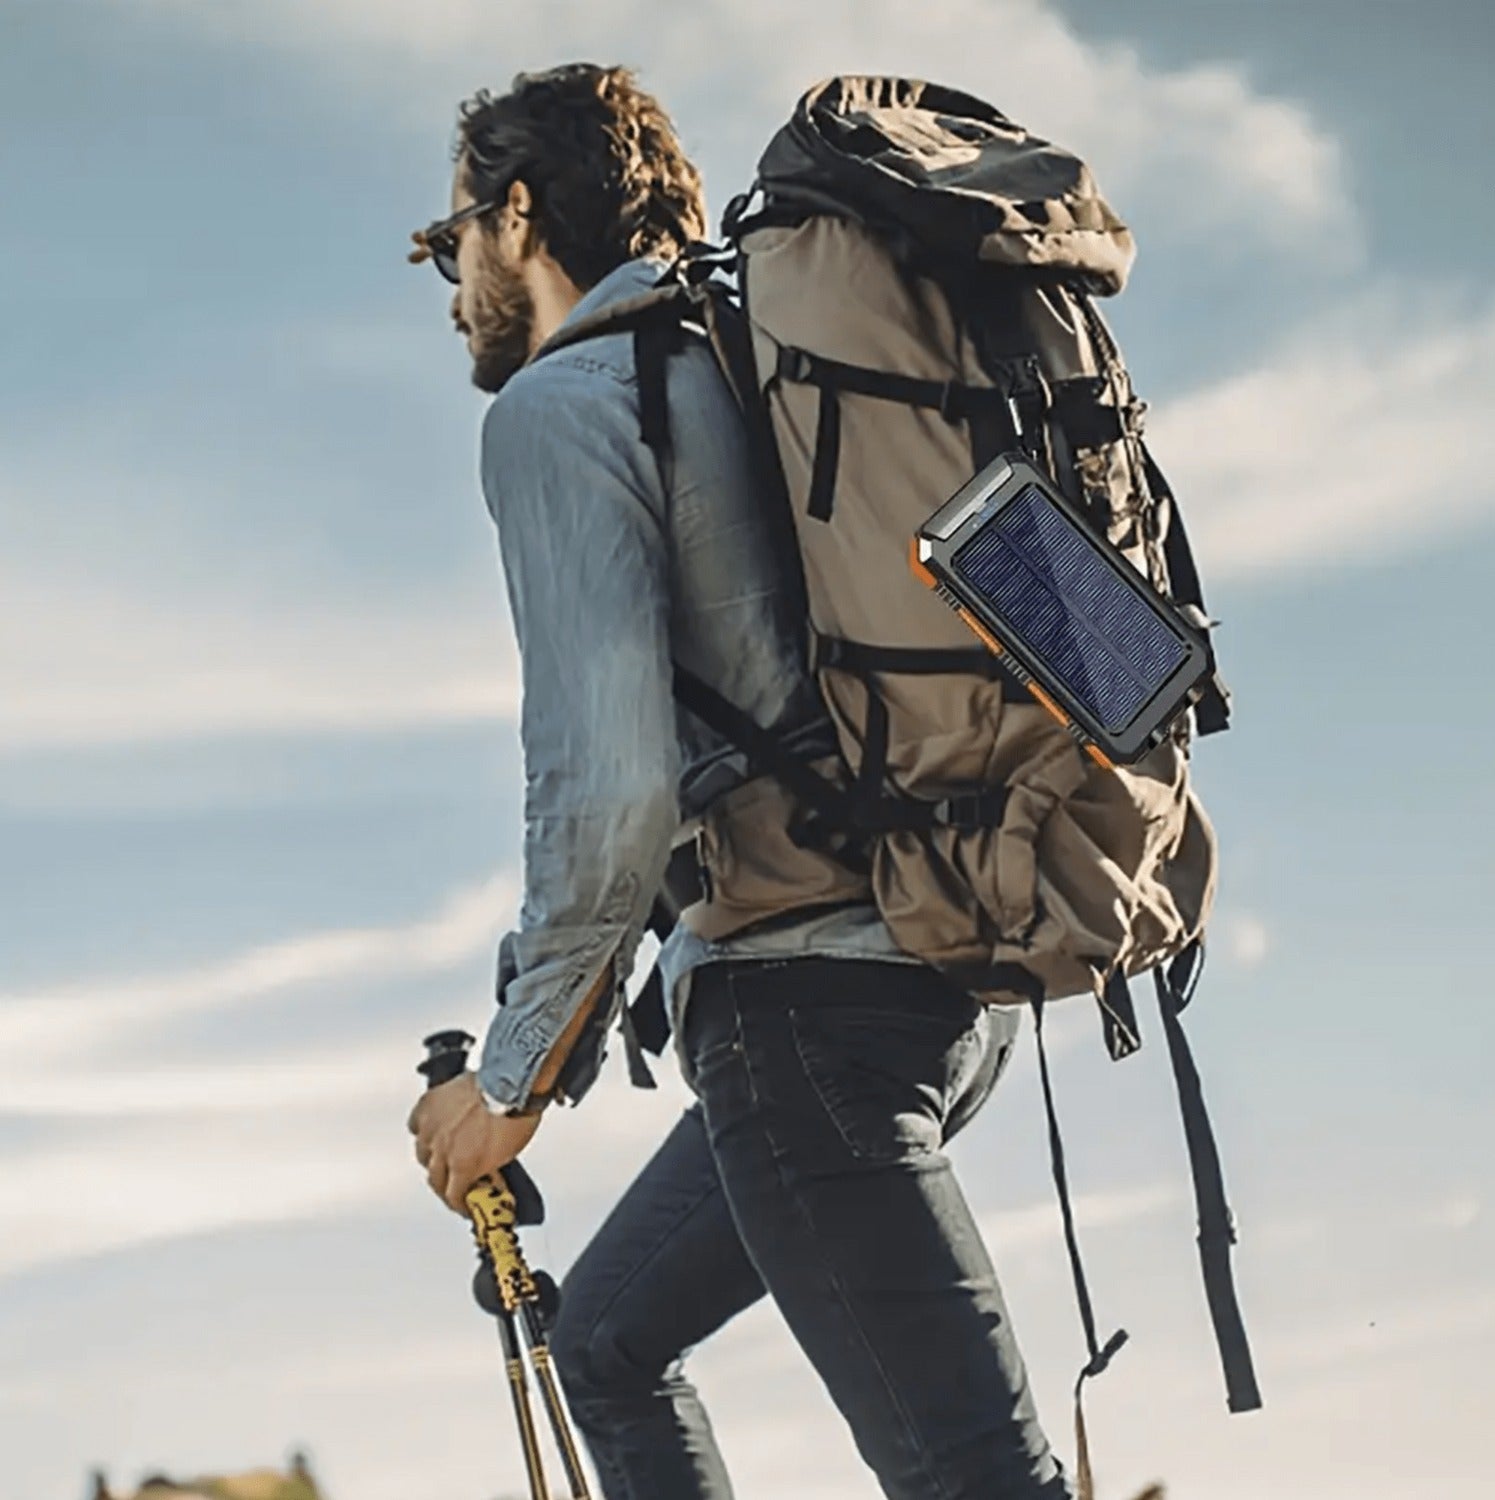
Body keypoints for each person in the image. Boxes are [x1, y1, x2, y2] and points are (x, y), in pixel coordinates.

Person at [405, 62, 1102, 1500]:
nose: (450, 279)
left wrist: (511, 1082)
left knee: (983, 1483)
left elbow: (611, 790)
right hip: (955, 973)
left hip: (802, 1015)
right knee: (606, 1343)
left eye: (446, 239)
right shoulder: (772, 363)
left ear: (516, 217)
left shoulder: (563, 407)